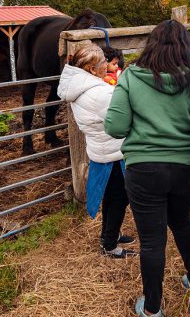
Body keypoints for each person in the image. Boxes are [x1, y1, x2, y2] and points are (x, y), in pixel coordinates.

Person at [104, 20, 190, 317]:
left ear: (152, 45)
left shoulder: (131, 77)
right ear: (186, 48)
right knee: (182, 221)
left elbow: (116, 127)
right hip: (187, 166)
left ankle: (151, 309)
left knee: (152, 240)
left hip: (145, 167)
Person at [56, 45, 136, 259]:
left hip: (100, 148)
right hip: (113, 150)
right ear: (92, 69)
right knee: (120, 197)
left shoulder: (81, 88)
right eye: (103, 62)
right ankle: (109, 245)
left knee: (111, 195)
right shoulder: (100, 93)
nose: (106, 65)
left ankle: (109, 234)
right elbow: (123, 118)